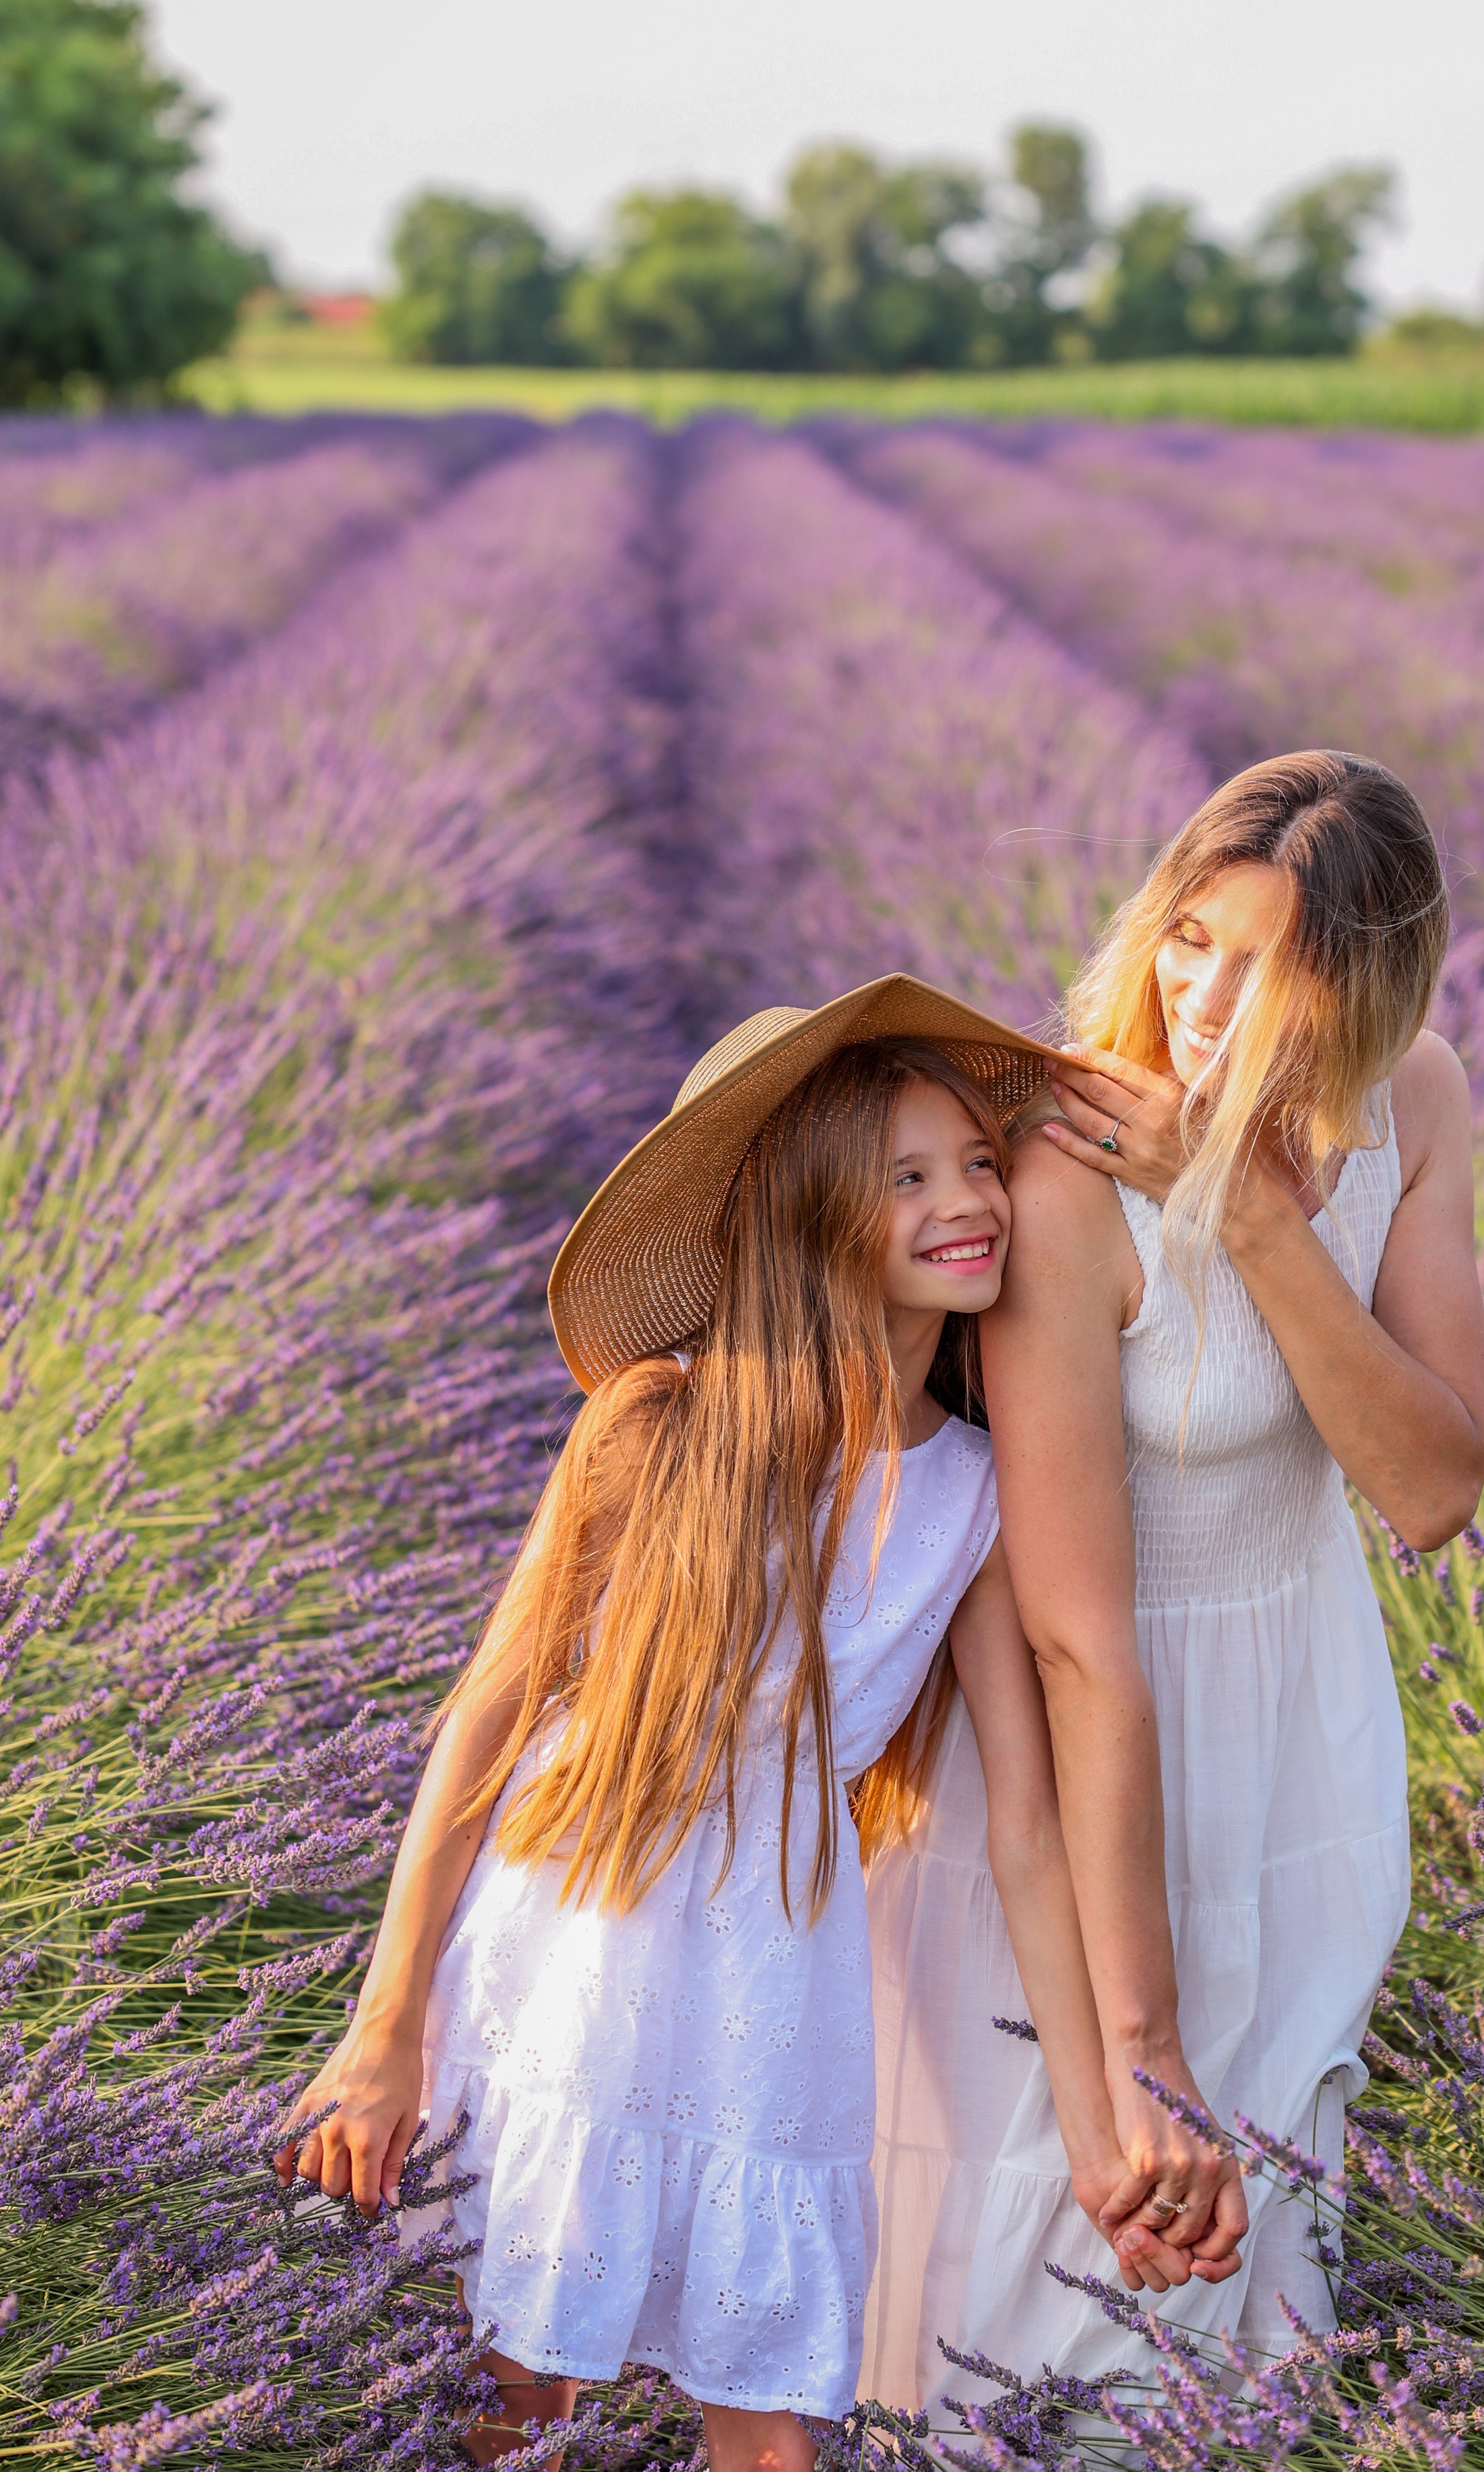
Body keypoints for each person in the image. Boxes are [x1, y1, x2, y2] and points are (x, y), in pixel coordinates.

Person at [275, 977, 1170, 2472]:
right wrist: (383, 2034)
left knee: (775, 2408)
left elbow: (1023, 1831)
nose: (968, 1202)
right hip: (580, 1943)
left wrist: (1097, 2131)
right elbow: (485, 1727)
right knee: (510, 2401)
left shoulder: (970, 1489)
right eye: (906, 1176)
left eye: (974, 1164)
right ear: (816, 1210)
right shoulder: (656, 1423)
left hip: (780, 1978)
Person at [863, 754, 1484, 2405]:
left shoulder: (1411, 1103)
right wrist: (1139, 2047)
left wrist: (1253, 1220)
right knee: (1068, 2297)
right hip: (1093, 1769)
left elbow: (1429, 1486)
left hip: (1300, 1730)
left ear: (1362, 990)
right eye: (1187, 936)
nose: (1203, 998)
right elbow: (1074, 1651)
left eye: (1265, 960)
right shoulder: (1066, 1172)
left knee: (1261, 2266)